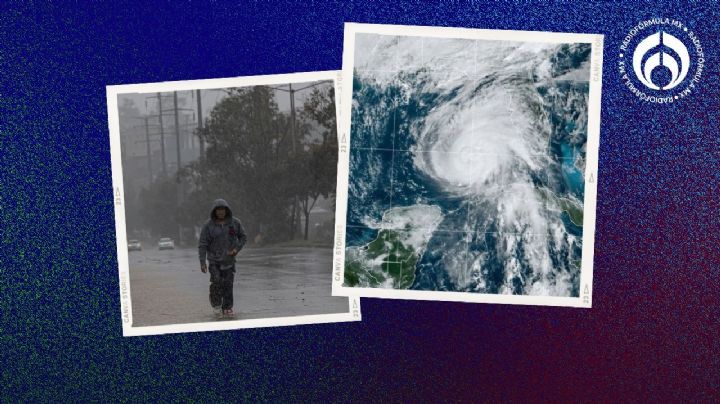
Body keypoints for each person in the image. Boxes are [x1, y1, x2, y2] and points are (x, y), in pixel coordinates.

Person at [198, 199, 247, 319]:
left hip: (229, 260)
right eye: (218, 210)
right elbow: (202, 244)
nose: (221, 212)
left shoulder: (235, 223)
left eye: (223, 210)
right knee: (216, 282)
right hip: (214, 260)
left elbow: (243, 237)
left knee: (228, 284)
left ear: (227, 210)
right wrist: (202, 262)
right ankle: (216, 306)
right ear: (214, 212)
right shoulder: (208, 226)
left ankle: (228, 307)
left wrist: (236, 249)